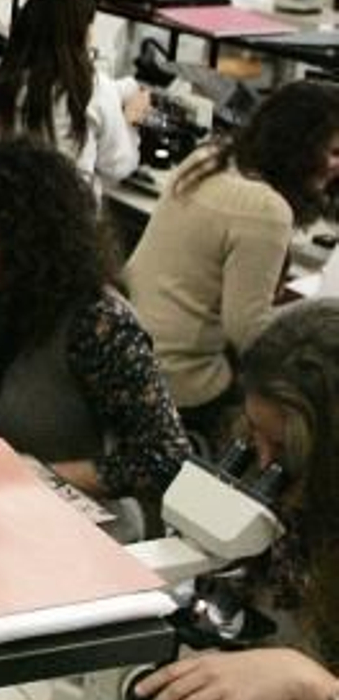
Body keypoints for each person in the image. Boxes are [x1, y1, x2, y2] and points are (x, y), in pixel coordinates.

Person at [0, 138, 188, 530]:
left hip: (74, 532)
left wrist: (32, 475)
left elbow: (164, 457)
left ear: (30, 242)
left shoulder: (99, 324)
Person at [133, 301, 339, 700]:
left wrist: (310, 683)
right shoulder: (300, 507)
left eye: (283, 449)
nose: (265, 465)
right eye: (253, 439)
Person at [125, 79, 339, 439]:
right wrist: (317, 315)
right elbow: (250, 334)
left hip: (133, 351)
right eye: (333, 153)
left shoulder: (208, 158)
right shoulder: (267, 210)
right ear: (299, 149)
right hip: (180, 382)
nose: (336, 165)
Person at [0, 0, 147, 184]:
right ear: (77, 32)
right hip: (66, 210)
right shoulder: (92, 88)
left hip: (4, 203)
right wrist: (130, 123)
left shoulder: (4, 79)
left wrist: (125, 88)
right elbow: (117, 166)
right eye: (89, 26)